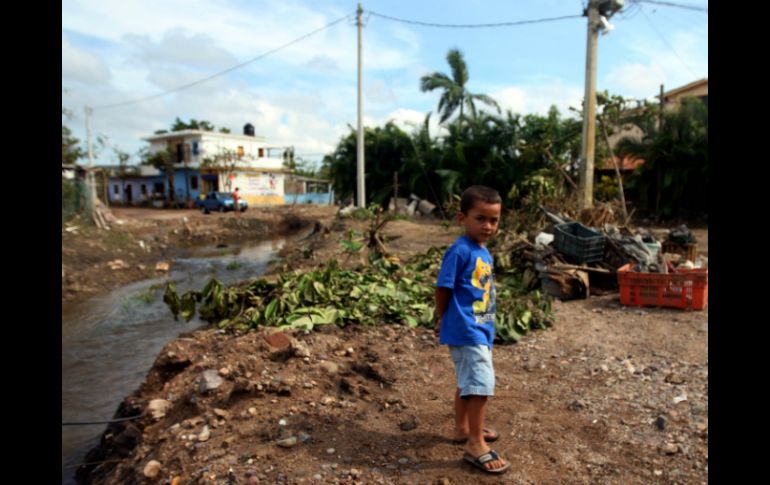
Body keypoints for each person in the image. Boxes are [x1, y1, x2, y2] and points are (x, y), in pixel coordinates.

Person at [434, 185, 510, 474]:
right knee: (480, 383)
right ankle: (476, 444)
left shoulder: (483, 251)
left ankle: (462, 429)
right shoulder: (459, 251)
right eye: (480, 218)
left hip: (479, 328)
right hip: (466, 329)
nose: (488, 226)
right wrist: (443, 317)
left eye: (494, 220)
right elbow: (443, 287)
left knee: (468, 380)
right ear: (461, 218)